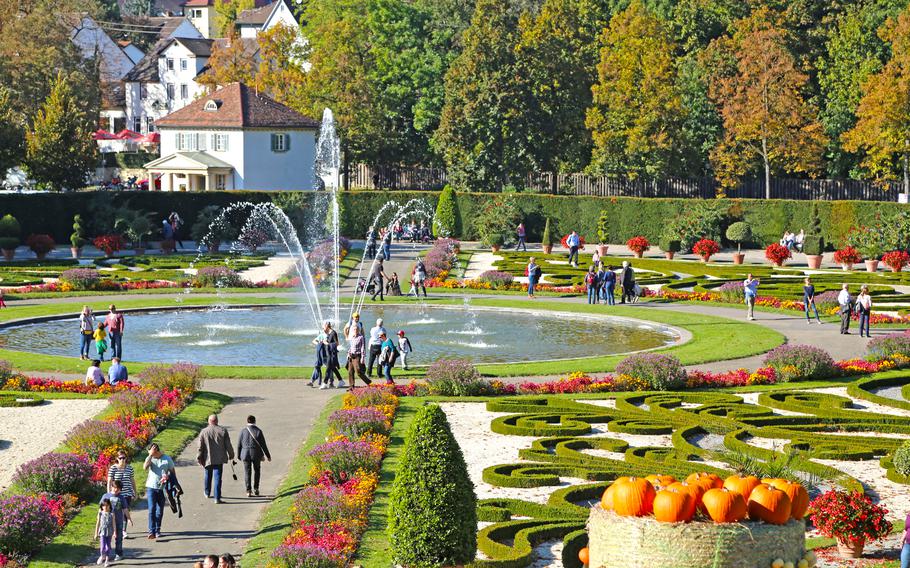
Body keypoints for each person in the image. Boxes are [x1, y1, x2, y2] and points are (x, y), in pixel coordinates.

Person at [197, 414, 234, 504]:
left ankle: (207, 492)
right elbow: (228, 445)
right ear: (217, 421)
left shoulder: (204, 432)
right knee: (217, 478)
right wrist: (231, 454)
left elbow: (200, 447)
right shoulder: (223, 431)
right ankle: (217, 498)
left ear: (209, 421)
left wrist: (199, 457)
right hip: (219, 459)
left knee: (207, 476)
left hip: (207, 458)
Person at [143, 443, 174, 539]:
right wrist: (150, 455)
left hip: (162, 488)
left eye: (152, 451)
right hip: (151, 487)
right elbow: (145, 467)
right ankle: (151, 531)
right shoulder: (150, 458)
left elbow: (172, 470)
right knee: (152, 509)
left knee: (159, 510)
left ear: (156, 450)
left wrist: (170, 478)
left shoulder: (166, 458)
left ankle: (157, 530)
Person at [237, 415, 271, 498]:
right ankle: (256, 488)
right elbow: (263, 445)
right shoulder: (258, 431)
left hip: (245, 454)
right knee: (257, 471)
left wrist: (238, 455)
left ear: (247, 421)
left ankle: (248, 490)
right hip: (256, 454)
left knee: (247, 472)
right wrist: (268, 455)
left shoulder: (243, 431)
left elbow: (239, 444)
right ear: (254, 421)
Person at [99, 480, 131, 561]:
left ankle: (119, 553)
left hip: (118, 521)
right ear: (111, 487)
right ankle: (104, 554)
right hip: (106, 523)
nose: (116, 490)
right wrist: (99, 518)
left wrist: (129, 518)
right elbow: (100, 509)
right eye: (114, 487)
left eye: (118, 489)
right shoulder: (105, 496)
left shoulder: (121, 497)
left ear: (120, 490)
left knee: (119, 538)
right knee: (105, 539)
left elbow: (125, 509)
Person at [107, 452, 136, 537]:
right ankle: (115, 529)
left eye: (124, 458)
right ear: (117, 459)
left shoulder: (129, 468)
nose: (122, 460)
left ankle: (123, 530)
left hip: (127, 493)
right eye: (120, 458)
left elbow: (132, 481)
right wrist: (109, 494)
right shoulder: (113, 468)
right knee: (116, 512)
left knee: (125, 511)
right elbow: (109, 481)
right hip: (116, 494)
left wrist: (135, 492)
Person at [323, 321, 345, 388]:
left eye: (323, 326)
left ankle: (324, 383)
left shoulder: (333, 333)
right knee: (333, 368)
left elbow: (337, 343)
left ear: (327, 326)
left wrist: (327, 344)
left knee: (328, 368)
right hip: (329, 353)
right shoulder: (329, 333)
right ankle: (341, 381)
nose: (323, 328)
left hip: (332, 354)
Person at [94, 498, 115, 567]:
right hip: (102, 532)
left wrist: (115, 532)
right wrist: (96, 533)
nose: (105, 507)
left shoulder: (111, 514)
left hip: (109, 532)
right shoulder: (100, 513)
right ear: (101, 507)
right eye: (103, 506)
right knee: (102, 546)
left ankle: (107, 560)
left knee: (108, 546)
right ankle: (102, 556)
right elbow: (98, 523)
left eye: (107, 505)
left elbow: (113, 524)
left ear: (109, 506)